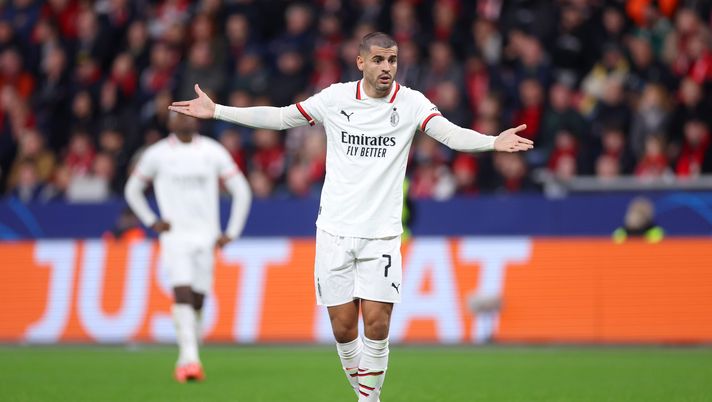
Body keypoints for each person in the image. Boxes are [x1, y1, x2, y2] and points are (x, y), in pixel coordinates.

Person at [169, 32, 532, 401]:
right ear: (361, 62)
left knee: (377, 324)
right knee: (344, 329)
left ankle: (367, 400)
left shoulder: (411, 103)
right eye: (378, 60)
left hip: (382, 235)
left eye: (392, 60)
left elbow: (451, 136)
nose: (386, 67)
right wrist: (217, 111)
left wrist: (491, 141)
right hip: (334, 232)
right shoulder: (335, 98)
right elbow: (280, 118)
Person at [123, 112, 252, 383]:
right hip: (175, 237)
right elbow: (132, 189)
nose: (184, 120)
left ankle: (190, 348)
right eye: (178, 116)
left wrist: (231, 232)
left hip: (206, 237)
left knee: (197, 299)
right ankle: (190, 360)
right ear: (169, 122)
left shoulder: (212, 151)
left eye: (188, 116)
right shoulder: (156, 154)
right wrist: (152, 221)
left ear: (197, 121)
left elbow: (241, 190)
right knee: (181, 291)